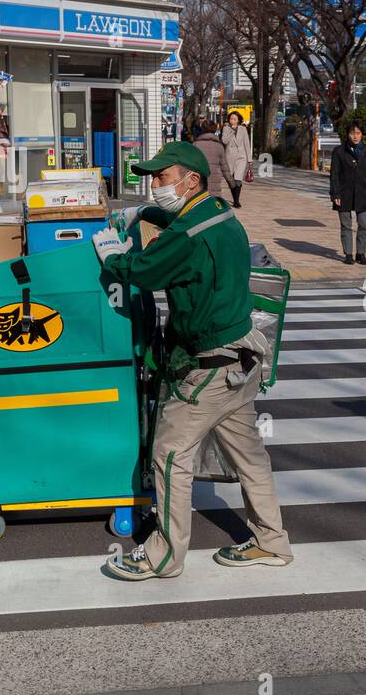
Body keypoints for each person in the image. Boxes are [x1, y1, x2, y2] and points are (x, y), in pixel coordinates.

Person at [92, 140, 293, 580]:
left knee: (168, 454)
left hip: (207, 367)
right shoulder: (220, 213)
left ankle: (163, 556)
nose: (155, 186)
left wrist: (112, 257)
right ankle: (272, 541)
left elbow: (141, 270)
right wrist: (146, 213)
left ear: (191, 180)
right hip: (242, 359)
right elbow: (183, 221)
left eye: (161, 179)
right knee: (249, 457)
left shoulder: (188, 236)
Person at [329, 121, 366, 265]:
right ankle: (348, 254)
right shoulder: (339, 151)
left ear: (362, 134)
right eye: (352, 133)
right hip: (344, 193)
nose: (355, 136)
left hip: (363, 193)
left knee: (363, 223)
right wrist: (335, 194)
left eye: (358, 133)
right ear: (348, 134)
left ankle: (361, 253)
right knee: (346, 225)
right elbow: (334, 174)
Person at [193, 119, 237, 201]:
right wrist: (232, 184)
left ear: (202, 130)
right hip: (215, 188)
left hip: (198, 186)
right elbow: (225, 169)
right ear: (214, 130)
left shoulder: (196, 145)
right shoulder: (219, 146)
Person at [221, 111, 253, 207]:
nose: (233, 121)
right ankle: (235, 198)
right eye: (231, 119)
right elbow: (224, 141)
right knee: (231, 180)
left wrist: (249, 159)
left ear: (238, 120)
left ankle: (236, 201)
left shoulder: (243, 129)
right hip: (229, 156)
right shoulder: (226, 128)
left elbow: (247, 144)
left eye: (235, 119)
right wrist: (231, 131)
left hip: (241, 157)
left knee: (238, 179)